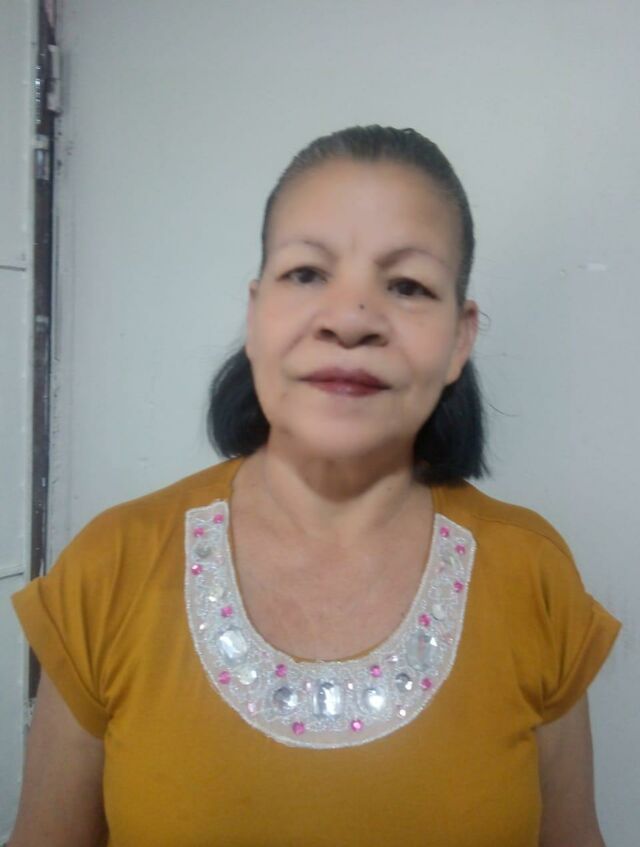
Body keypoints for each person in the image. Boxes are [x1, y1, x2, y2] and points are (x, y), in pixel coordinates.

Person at [10, 125, 620, 847]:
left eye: (407, 285)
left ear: (460, 339)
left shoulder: (534, 575)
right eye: (306, 274)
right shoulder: (110, 566)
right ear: (255, 313)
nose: (350, 319)